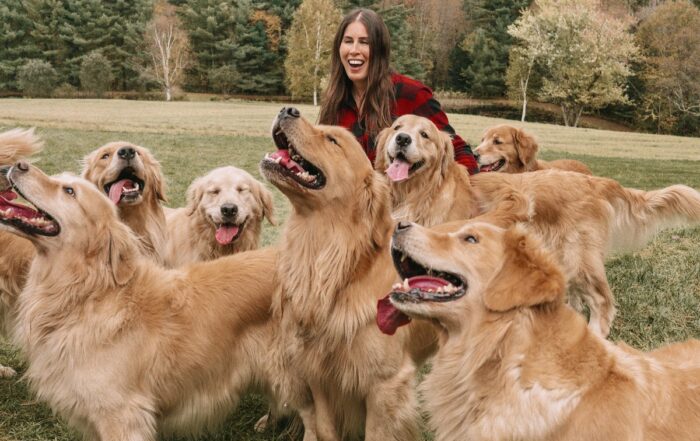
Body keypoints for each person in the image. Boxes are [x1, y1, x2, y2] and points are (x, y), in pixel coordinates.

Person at [319, 8, 479, 175]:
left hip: (402, 200)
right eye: (348, 41)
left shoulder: (412, 94)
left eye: (365, 42)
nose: (354, 50)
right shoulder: (334, 101)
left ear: (380, 50)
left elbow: (457, 150)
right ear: (339, 47)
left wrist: (469, 193)